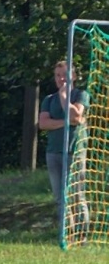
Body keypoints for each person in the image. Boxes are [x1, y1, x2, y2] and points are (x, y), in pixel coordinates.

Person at [38, 59, 87, 213]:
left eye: (64, 75)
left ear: (73, 76)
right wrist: (67, 122)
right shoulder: (49, 99)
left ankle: (81, 235)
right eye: (57, 75)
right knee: (60, 198)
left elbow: (76, 115)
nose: (61, 79)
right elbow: (43, 124)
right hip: (53, 153)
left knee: (76, 196)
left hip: (74, 152)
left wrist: (64, 96)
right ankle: (65, 234)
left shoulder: (81, 94)